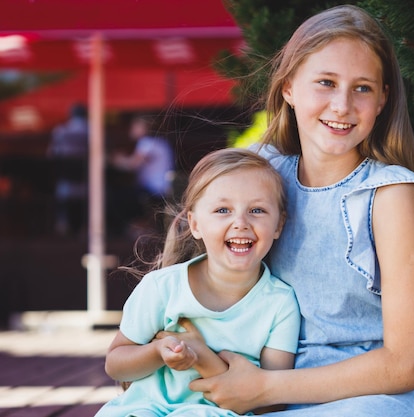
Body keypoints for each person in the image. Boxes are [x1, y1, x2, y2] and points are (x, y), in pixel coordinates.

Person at [173, 4, 414, 417]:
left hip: (378, 396)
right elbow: (198, 278)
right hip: (274, 389)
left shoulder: (389, 195)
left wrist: (263, 388)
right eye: (326, 82)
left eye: (362, 88)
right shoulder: (261, 177)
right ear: (289, 88)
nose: (342, 105)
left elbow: (405, 365)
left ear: (383, 98)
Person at [95, 148, 301, 417]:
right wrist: (157, 352)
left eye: (257, 210)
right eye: (223, 210)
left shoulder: (280, 303)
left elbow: (274, 400)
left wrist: (203, 357)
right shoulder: (162, 288)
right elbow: (116, 364)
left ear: (279, 225)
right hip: (145, 409)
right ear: (195, 224)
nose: (240, 222)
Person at [108, 114, 175, 234]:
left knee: (115, 196)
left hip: (155, 190)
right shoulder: (159, 142)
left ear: (144, 127)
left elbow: (132, 164)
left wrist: (115, 159)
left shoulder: (147, 142)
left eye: (135, 126)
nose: (131, 129)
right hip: (162, 189)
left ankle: (128, 228)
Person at [47, 103, 89, 236]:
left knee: (64, 196)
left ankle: (62, 223)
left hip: (66, 172)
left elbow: (51, 153)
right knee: (86, 199)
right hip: (85, 172)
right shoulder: (92, 129)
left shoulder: (61, 130)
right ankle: (85, 226)